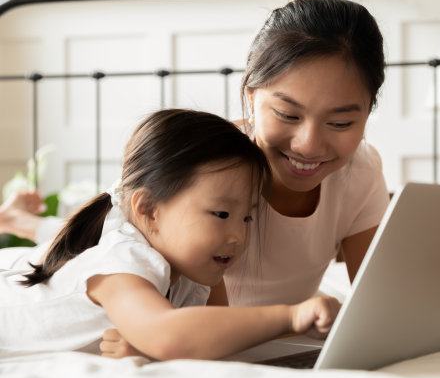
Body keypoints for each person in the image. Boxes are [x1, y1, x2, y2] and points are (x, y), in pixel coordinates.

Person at [0, 0, 440, 356]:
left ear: (369, 113)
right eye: (286, 114)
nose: (309, 144)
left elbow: (384, 311)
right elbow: (111, 245)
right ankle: (23, 227)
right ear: (249, 95)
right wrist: (288, 317)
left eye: (343, 120)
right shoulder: (195, 173)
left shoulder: (359, 174)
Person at [0, 109, 341, 360]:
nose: (237, 235)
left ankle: (16, 218)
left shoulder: (198, 267)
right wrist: (291, 315)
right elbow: (168, 335)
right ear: (149, 210)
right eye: (221, 214)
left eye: (248, 218)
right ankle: (16, 218)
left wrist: (146, 344)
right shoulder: (124, 264)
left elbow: (211, 330)